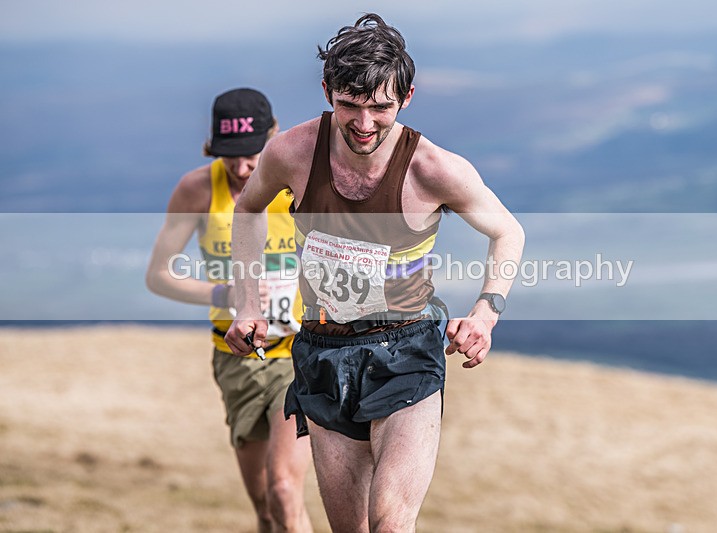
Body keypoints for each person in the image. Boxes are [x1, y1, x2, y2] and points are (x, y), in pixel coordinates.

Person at [224, 14, 525, 533]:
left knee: (389, 524)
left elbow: (508, 232)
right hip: (323, 351)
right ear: (328, 92)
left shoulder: (434, 169)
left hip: (406, 350)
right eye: (350, 105)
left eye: (381, 107)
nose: (365, 123)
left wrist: (485, 314)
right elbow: (248, 210)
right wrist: (248, 305)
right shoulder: (292, 153)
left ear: (406, 98)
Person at [146, 88, 312, 533]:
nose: (241, 169)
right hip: (236, 357)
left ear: (273, 137)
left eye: (252, 155)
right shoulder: (197, 189)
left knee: (284, 490)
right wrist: (226, 295)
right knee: (266, 508)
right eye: (230, 157)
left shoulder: (298, 183)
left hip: (298, 353)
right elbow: (158, 275)